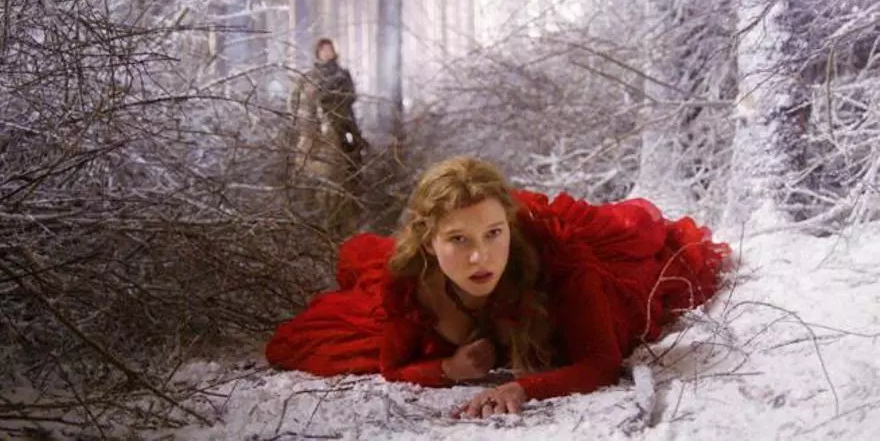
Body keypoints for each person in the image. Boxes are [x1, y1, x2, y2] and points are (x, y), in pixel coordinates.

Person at [265, 156, 730, 419]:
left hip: (581, 276)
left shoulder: (559, 260)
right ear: (428, 241)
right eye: (458, 240)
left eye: (493, 234)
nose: (480, 258)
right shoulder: (410, 282)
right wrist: (448, 367)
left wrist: (523, 388)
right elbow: (393, 366)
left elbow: (601, 362)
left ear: (509, 226)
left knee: (659, 265)